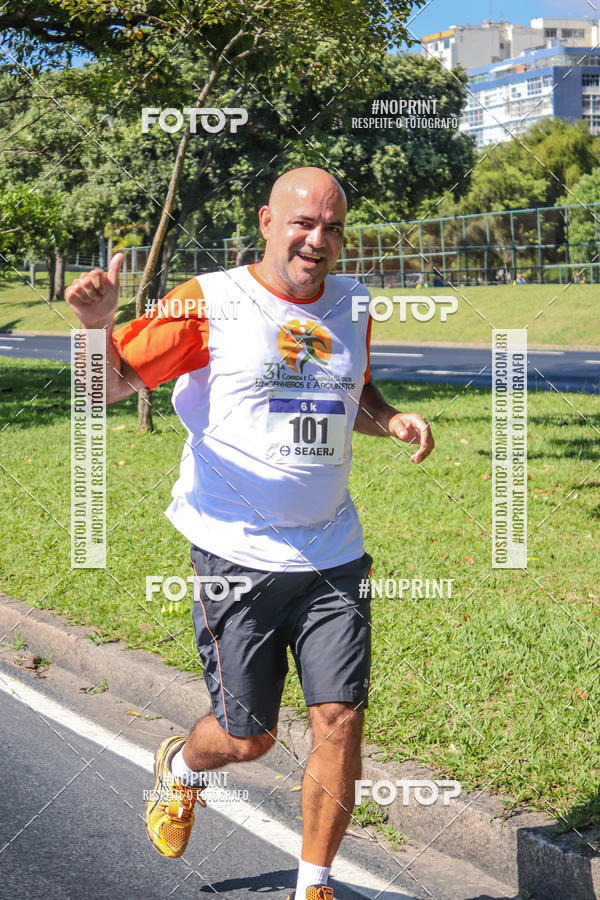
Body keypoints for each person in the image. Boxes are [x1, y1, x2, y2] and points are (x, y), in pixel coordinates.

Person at [66, 166, 434, 899]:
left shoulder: (353, 300)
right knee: (248, 736)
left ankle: (314, 884)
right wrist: (94, 328)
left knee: (340, 718)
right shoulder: (209, 302)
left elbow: (352, 388)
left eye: (332, 227)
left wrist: (388, 417)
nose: (317, 239)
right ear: (266, 221)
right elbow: (101, 388)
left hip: (333, 551)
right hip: (234, 553)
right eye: (303, 223)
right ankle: (180, 767)